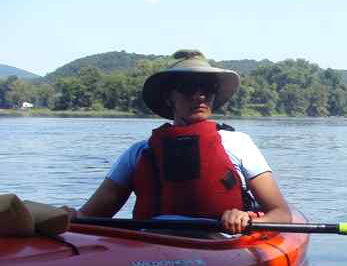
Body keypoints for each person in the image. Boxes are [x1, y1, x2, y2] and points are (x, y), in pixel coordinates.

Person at [69, 50, 292, 234]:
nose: (200, 96)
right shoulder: (139, 152)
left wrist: (247, 218)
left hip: (218, 244)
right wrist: (67, 216)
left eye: (207, 89)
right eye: (187, 88)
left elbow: (281, 214)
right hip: (148, 246)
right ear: (169, 97)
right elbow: (89, 216)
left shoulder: (237, 143)